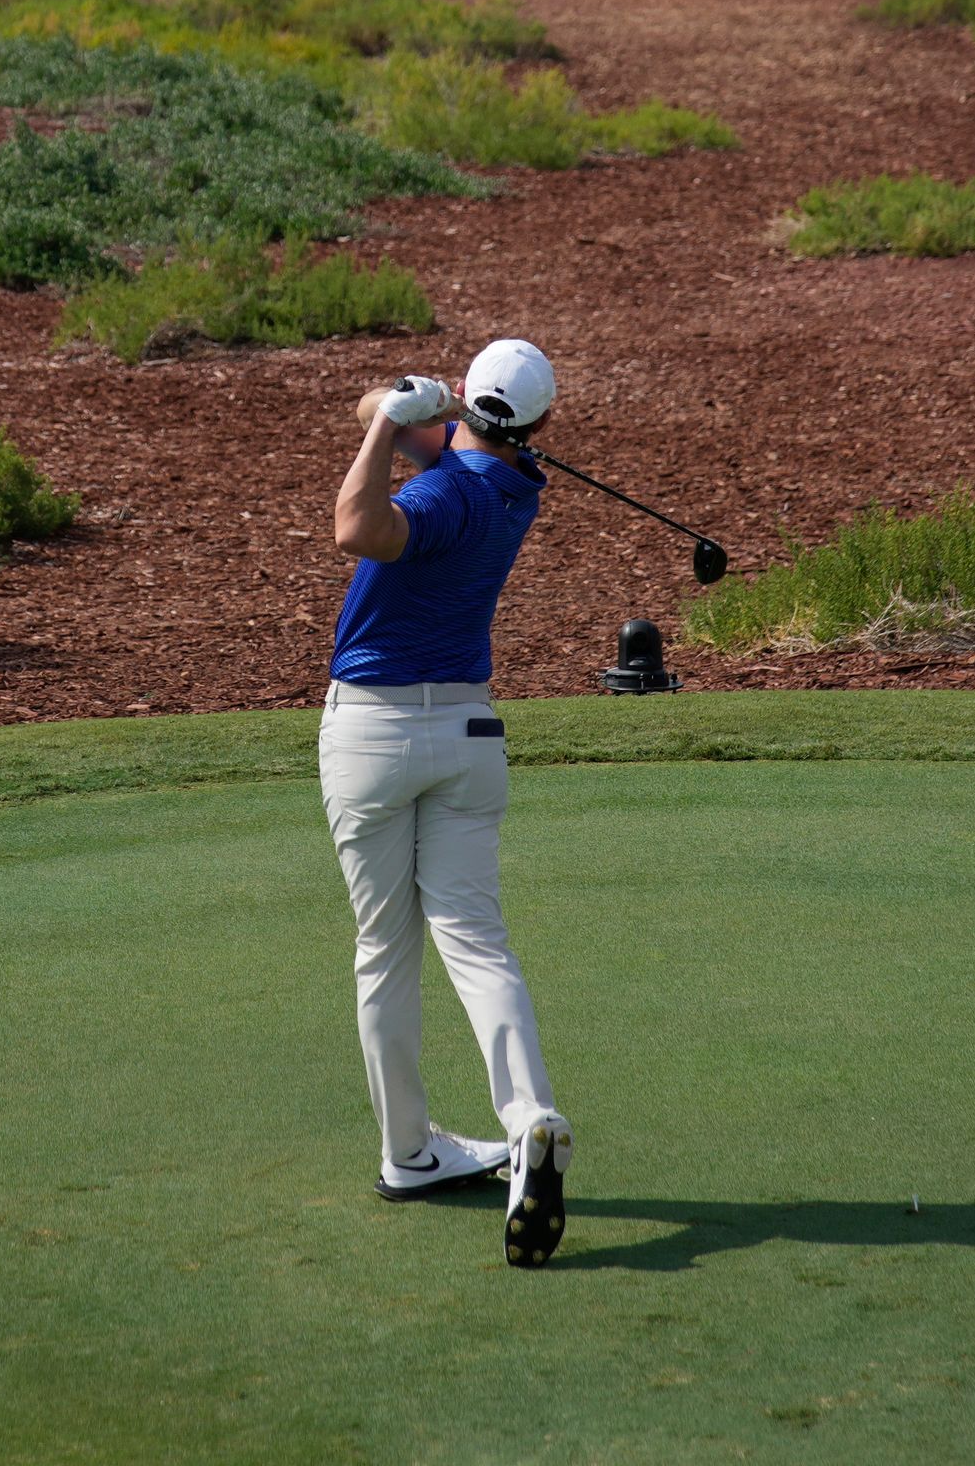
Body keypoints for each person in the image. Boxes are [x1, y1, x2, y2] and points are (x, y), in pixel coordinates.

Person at [321, 338, 574, 1268]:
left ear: (468, 396)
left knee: (384, 947)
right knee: (475, 939)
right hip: (469, 737)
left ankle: (408, 1152)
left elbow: (356, 526)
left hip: (374, 736)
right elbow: (392, 423)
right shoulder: (514, 485)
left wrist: (397, 418)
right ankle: (530, 1115)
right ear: (541, 424)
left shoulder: (435, 494)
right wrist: (392, 408)